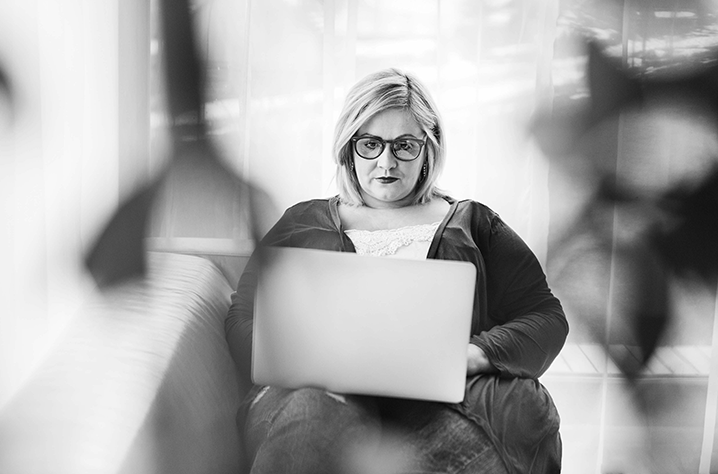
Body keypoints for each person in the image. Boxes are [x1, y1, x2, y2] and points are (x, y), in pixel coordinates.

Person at [224, 68, 568, 473]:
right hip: (316, 402)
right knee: (311, 410)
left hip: (442, 415)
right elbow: (243, 315)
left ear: (429, 148)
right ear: (349, 147)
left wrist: (477, 353)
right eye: (370, 144)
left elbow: (546, 317)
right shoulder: (300, 222)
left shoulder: (474, 224)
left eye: (404, 145)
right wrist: (297, 360)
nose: (386, 162)